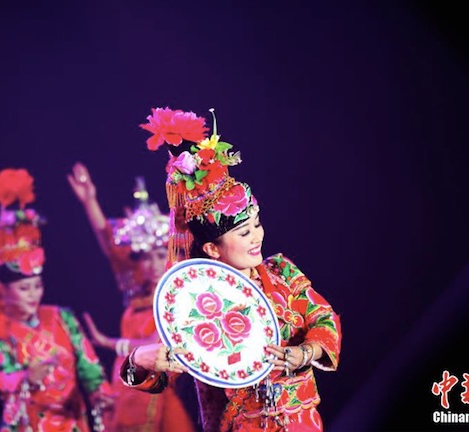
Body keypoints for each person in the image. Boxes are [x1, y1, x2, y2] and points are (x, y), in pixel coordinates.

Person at [118, 107, 343, 432]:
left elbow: (324, 318)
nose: (257, 237)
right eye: (244, 232)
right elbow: (156, 375)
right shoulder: (191, 300)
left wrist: (306, 353)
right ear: (212, 248)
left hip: (302, 422)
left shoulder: (282, 273)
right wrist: (139, 358)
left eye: (257, 224)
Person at [0, 168, 114, 432]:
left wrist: (99, 392)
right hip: (28, 422)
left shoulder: (60, 317)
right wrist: (26, 378)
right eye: (24, 288)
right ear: (3, 290)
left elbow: (87, 361)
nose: (33, 294)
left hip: (72, 421)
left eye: (37, 286)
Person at [68, 164, 197, 431]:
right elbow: (110, 246)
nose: (152, 264)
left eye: (160, 256)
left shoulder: (177, 298)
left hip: (156, 388)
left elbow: (156, 345)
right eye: (146, 257)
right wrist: (90, 200)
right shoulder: (134, 289)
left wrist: (109, 343)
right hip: (127, 385)